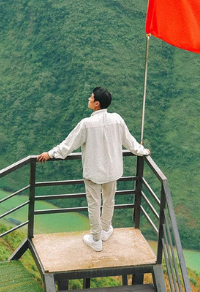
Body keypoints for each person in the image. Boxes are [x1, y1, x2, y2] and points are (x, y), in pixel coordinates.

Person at [37, 86, 149, 252]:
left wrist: (50, 154)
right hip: (113, 170)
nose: (88, 99)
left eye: (90, 98)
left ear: (97, 103)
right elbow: (130, 142)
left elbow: (68, 146)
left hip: (94, 172)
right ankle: (105, 230)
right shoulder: (117, 119)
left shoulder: (86, 124)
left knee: (94, 205)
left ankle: (96, 239)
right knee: (110, 200)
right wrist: (142, 151)